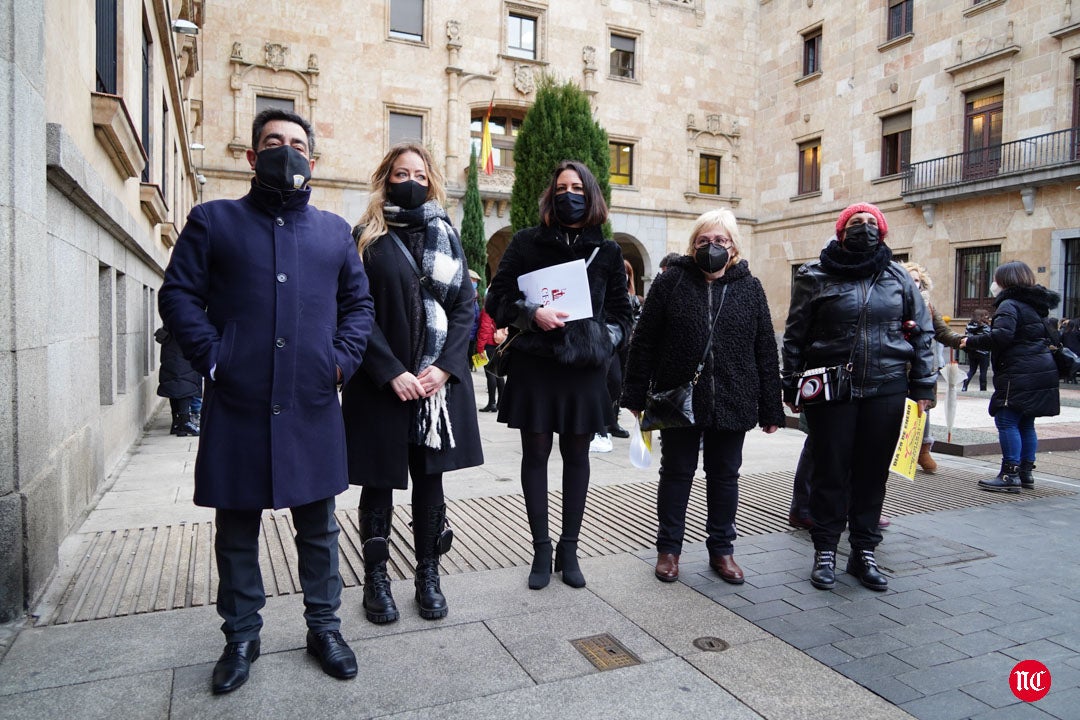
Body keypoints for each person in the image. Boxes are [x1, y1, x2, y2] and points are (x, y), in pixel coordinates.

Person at [159, 108, 374, 693]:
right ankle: (241, 636)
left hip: (310, 401)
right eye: (274, 142)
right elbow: (177, 295)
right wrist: (214, 357)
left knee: (320, 529)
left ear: (313, 159)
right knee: (236, 528)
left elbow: (359, 306)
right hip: (238, 400)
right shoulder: (213, 221)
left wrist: (340, 359)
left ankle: (324, 627)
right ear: (252, 157)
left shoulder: (334, 231)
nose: (287, 151)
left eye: (297, 144)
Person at [343, 142, 483, 624]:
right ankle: (375, 579)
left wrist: (445, 366)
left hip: (435, 387)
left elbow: (466, 307)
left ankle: (429, 574)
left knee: (430, 482)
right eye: (401, 172)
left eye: (419, 174)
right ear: (385, 177)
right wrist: (390, 372)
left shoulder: (447, 232)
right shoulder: (364, 236)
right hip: (382, 385)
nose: (411, 180)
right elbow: (354, 311)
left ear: (431, 180)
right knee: (378, 483)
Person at [484, 160, 633, 590]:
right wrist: (531, 313)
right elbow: (497, 297)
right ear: (551, 195)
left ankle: (570, 548)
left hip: (583, 369)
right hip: (536, 366)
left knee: (578, 456)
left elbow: (623, 316)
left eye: (578, 189)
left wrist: (597, 337)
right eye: (562, 187)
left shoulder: (607, 251)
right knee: (534, 456)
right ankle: (540, 548)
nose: (570, 195)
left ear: (591, 196)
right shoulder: (527, 242)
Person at [622, 209, 783, 584]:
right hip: (679, 396)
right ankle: (669, 550)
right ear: (692, 245)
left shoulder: (750, 287)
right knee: (676, 474)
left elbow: (764, 349)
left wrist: (772, 406)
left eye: (720, 241)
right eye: (704, 241)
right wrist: (634, 392)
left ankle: (722, 551)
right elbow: (643, 341)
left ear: (734, 247)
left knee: (725, 476)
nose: (712, 247)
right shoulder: (671, 283)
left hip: (734, 396)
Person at [782, 203, 935, 592]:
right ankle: (825, 551)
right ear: (841, 231)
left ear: (882, 232)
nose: (864, 229)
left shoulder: (898, 276)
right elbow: (795, 336)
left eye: (871, 224)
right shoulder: (814, 276)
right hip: (831, 391)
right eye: (855, 223)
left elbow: (923, 334)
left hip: (886, 389)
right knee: (830, 472)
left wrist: (924, 387)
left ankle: (863, 551)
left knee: (872, 475)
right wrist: (791, 384)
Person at [961, 261, 1061, 492]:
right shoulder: (1036, 306)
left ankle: (1009, 474)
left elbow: (1001, 337)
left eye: (995, 279)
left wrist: (970, 342)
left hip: (1018, 370)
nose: (993, 284)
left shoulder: (1009, 304)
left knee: (1006, 420)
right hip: (1040, 369)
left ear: (1005, 281)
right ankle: (1025, 473)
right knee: (1026, 422)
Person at [902, 262, 963, 474]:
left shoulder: (927, 306)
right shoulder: (892, 300)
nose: (914, 283)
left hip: (922, 364)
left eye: (917, 280)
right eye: (909, 278)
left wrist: (961, 341)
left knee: (923, 408)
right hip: (897, 365)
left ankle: (923, 450)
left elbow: (942, 330)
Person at [154, 325, 201, 436]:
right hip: (180, 346)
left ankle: (177, 423)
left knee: (175, 383)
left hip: (173, 344)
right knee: (183, 383)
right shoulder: (182, 313)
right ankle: (184, 422)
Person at [476, 305, 506, 412]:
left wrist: (480, 348)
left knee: (490, 374)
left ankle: (491, 403)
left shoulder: (488, 309)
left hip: (488, 344)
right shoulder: (501, 308)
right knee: (498, 374)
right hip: (499, 343)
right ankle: (501, 403)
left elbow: (485, 328)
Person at [963, 308, 992, 391]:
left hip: (972, 351)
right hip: (983, 351)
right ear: (982, 316)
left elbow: (966, 336)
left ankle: (965, 386)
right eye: (986, 316)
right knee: (983, 371)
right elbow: (989, 338)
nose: (988, 318)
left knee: (972, 370)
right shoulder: (985, 327)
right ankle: (983, 389)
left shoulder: (969, 325)